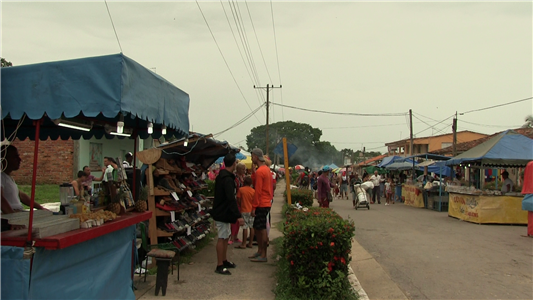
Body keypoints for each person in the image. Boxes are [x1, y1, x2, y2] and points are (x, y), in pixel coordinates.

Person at [211, 153, 244, 275]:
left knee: (225, 237)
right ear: (234, 163)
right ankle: (219, 265)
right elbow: (231, 199)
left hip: (223, 212)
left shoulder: (223, 176)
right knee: (222, 237)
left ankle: (224, 260)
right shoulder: (227, 179)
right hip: (222, 212)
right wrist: (238, 216)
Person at [0, 145, 47, 214]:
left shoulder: (8, 178)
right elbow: (0, 199)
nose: (19, 159)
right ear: (4, 159)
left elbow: (21, 196)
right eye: (15, 157)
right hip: (9, 216)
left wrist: (41, 208)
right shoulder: (1, 177)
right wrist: (12, 216)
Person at [249, 148, 273, 263]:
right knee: (258, 228)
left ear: (256, 157)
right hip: (266, 202)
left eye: (252, 156)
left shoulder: (260, 172)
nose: (251, 158)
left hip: (261, 203)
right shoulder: (266, 169)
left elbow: (257, 190)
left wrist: (254, 207)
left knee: (261, 228)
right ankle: (260, 251)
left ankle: (263, 254)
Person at [235, 176, 255, 249]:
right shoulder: (253, 191)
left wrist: (241, 204)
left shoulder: (241, 190)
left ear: (244, 182)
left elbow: (238, 199)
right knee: (251, 227)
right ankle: (250, 243)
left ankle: (243, 244)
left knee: (245, 227)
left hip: (244, 210)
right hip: (251, 210)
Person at [229, 162, 246, 245]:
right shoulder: (235, 177)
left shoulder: (243, 177)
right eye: (243, 169)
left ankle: (235, 236)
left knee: (239, 218)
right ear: (238, 169)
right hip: (236, 199)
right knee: (234, 218)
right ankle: (232, 236)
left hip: (242, 200)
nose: (244, 171)